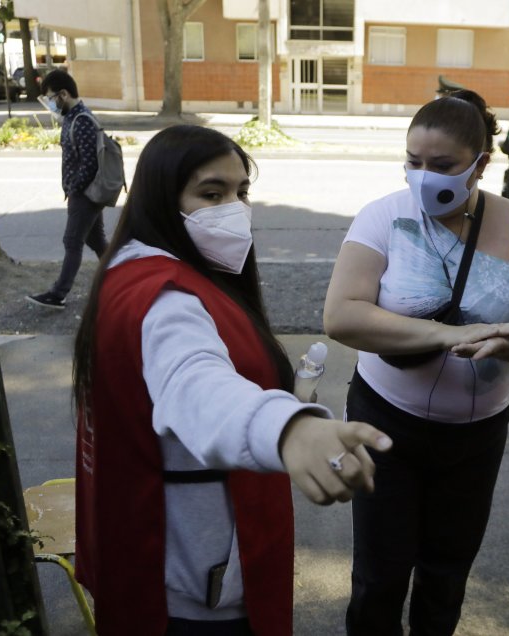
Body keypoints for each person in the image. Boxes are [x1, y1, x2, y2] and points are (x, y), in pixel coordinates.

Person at [71, 125, 393, 635]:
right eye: (211, 193)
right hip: (193, 586)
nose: (234, 208)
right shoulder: (164, 298)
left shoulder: (139, 271)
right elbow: (196, 385)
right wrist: (290, 429)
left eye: (241, 192)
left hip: (171, 559)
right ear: (160, 199)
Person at [324, 89, 509, 635]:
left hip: (475, 438)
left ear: (481, 162)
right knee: (380, 574)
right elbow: (341, 315)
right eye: (413, 163)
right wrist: (442, 333)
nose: (424, 177)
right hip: (386, 424)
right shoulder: (383, 216)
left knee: (447, 572)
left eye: (443, 165)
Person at [27, 69, 110, 309]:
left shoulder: (81, 120)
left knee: (72, 242)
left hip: (84, 195)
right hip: (84, 193)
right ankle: (122, 277)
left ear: (64, 94)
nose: (50, 104)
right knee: (97, 241)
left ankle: (58, 294)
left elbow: (90, 163)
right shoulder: (73, 117)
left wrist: (74, 188)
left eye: (51, 98)